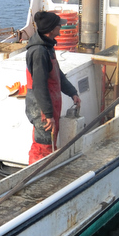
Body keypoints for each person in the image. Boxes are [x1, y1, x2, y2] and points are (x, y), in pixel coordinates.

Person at [25, 11, 80, 164]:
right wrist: (48, 114)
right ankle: (36, 178)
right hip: (42, 109)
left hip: (50, 107)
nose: (61, 27)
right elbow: (39, 86)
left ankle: (44, 172)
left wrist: (72, 93)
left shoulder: (48, 47)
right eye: (58, 25)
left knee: (49, 143)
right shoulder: (39, 52)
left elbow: (58, 75)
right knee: (43, 146)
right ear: (50, 30)